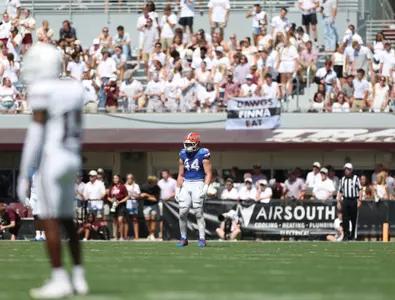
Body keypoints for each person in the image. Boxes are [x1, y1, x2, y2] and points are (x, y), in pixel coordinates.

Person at [17, 43, 88, 298]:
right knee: (68, 220)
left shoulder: (42, 90)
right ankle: (79, 275)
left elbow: (35, 135)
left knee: (49, 221)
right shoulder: (74, 88)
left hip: (53, 158)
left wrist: (25, 172)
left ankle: (59, 278)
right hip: (72, 157)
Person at [176, 132, 212, 247]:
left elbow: (208, 173)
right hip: (186, 183)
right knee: (182, 212)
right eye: (186, 144)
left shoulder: (203, 153)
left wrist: (206, 187)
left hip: (198, 183)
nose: (187, 146)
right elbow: (181, 174)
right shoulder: (182, 154)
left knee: (198, 212)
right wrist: (178, 188)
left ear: (197, 144)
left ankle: (202, 239)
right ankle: (183, 238)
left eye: (190, 144)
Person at [337, 163, 361, 241]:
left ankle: (353, 235)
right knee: (345, 219)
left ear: (351, 170)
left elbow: (359, 189)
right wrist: (338, 201)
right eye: (345, 169)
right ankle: (345, 236)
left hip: (353, 200)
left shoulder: (356, 178)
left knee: (354, 219)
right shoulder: (342, 179)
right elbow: (340, 191)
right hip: (345, 200)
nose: (346, 171)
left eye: (348, 169)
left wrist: (359, 200)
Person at [139, 175, 161, 241]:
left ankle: (152, 234)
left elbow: (156, 198)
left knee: (153, 218)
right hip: (146, 205)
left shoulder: (157, 187)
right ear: (151, 181)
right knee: (147, 219)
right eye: (155, 181)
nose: (156, 182)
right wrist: (149, 197)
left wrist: (147, 195)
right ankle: (150, 233)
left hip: (154, 205)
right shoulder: (144, 187)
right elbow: (141, 196)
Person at [107, 174, 129, 240]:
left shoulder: (122, 187)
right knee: (115, 221)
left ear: (119, 179)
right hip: (113, 206)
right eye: (114, 178)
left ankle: (121, 236)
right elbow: (108, 197)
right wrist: (111, 200)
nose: (115, 179)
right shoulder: (111, 187)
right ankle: (116, 237)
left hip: (121, 206)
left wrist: (120, 201)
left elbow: (127, 196)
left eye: (116, 178)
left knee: (120, 220)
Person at [28, 168, 45, 241]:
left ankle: (43, 235)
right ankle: (37, 235)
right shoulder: (31, 171)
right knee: (35, 215)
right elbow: (29, 184)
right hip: (33, 195)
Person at [124, 173, 141, 240]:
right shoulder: (124, 186)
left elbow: (139, 196)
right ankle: (125, 236)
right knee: (126, 221)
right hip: (126, 205)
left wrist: (133, 194)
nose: (129, 180)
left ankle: (136, 236)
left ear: (132, 179)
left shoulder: (136, 186)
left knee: (135, 220)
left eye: (130, 178)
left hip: (134, 205)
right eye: (128, 178)